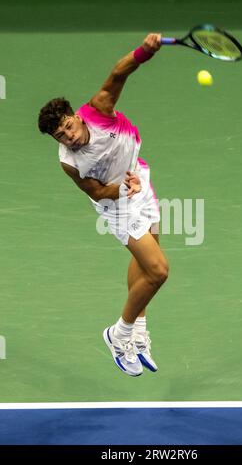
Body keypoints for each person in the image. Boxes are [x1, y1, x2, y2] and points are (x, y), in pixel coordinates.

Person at [38, 34, 169, 377]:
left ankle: (139, 331)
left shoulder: (99, 109)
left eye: (67, 127)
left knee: (146, 255)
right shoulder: (69, 162)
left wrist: (145, 50)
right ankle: (119, 333)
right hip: (118, 203)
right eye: (60, 136)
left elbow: (119, 72)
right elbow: (96, 193)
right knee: (158, 271)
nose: (68, 137)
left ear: (75, 116)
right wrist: (121, 190)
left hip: (138, 176)